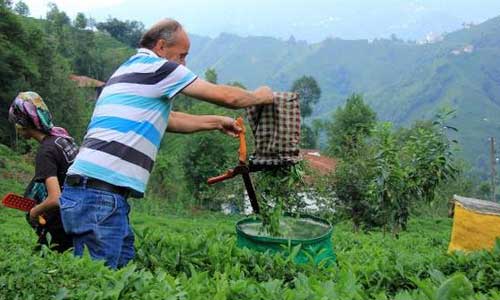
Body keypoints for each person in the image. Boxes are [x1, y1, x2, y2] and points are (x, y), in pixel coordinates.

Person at [59, 18, 274, 269]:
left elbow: (168, 119)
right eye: (182, 56)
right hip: (99, 195)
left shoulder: (127, 70)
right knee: (97, 284)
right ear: (161, 47)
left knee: (117, 278)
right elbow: (228, 97)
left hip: (95, 193)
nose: (183, 64)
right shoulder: (158, 67)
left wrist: (216, 122)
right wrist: (261, 96)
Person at [8, 92, 79, 252]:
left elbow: (55, 198)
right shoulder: (63, 140)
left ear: (23, 123)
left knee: (50, 262)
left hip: (60, 222)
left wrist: (34, 212)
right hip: (76, 213)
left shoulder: (46, 151)